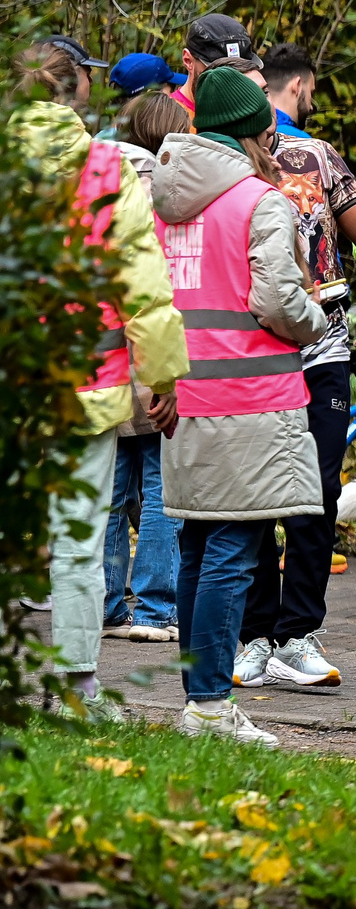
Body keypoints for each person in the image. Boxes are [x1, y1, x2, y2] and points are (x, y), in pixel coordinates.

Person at [151, 66, 329, 745]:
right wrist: (317, 319)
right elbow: (276, 301)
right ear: (260, 132)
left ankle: (199, 698)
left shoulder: (167, 197)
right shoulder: (261, 200)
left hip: (188, 394)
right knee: (233, 550)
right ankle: (209, 708)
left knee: (200, 545)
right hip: (254, 397)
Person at [17, 38, 184, 719]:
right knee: (79, 542)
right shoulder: (106, 167)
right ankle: (76, 689)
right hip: (87, 381)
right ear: (78, 88)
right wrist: (161, 372)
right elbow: (142, 282)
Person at [236, 51, 356, 691]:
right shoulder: (212, 167)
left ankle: (298, 633)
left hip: (322, 352)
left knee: (316, 490)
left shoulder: (317, 158)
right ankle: (253, 635)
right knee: (250, 499)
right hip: (248, 357)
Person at [102, 91, 194, 645]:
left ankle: (108, 603)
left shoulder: (97, 184)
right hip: (156, 346)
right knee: (162, 484)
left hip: (106, 353)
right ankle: (156, 607)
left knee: (112, 487)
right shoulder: (173, 193)